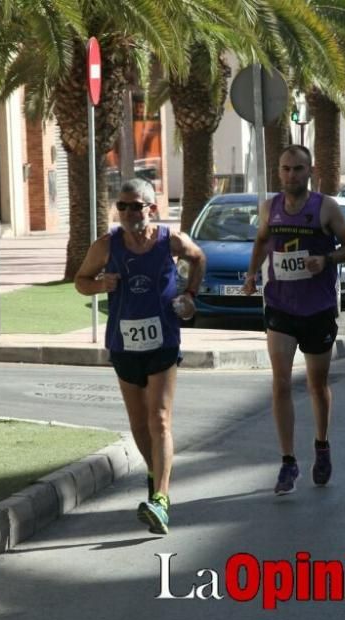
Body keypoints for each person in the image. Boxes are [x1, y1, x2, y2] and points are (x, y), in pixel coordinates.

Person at [74, 178, 206, 535]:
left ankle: (161, 500)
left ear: (153, 208)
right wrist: (102, 284)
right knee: (138, 422)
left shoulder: (169, 241)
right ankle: (155, 475)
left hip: (163, 340)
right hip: (123, 343)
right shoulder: (107, 245)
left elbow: (199, 258)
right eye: (123, 206)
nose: (129, 212)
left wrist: (190, 294)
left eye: (136, 206)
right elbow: (81, 280)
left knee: (159, 418)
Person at [242, 145, 345, 495]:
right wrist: (251, 275)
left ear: (311, 171)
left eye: (298, 169)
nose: (291, 175)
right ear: (279, 171)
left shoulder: (325, 208)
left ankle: (321, 445)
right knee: (279, 383)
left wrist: (327, 260)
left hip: (318, 309)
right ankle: (288, 461)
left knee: (316, 385)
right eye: (285, 169)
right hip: (280, 306)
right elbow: (262, 241)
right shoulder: (270, 208)